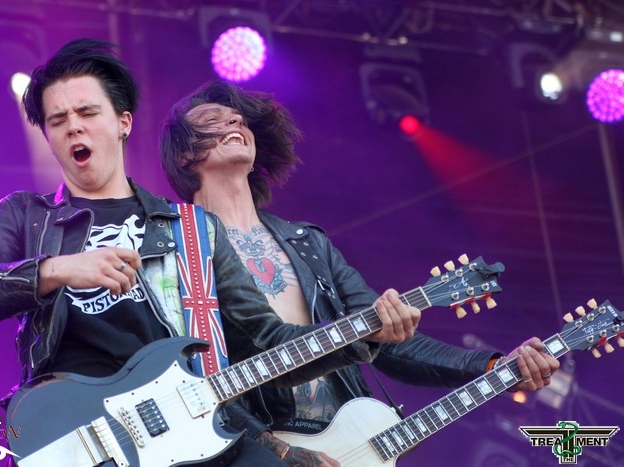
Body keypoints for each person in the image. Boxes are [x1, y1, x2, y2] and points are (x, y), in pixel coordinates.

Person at [0, 39, 422, 467]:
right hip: (78, 436)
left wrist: (365, 334)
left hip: (194, 431)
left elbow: (266, 339)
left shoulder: (192, 229)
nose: (73, 128)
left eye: (87, 113)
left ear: (122, 123)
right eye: (58, 121)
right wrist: (58, 269)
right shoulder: (26, 215)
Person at [159, 79, 561, 466]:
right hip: (251, 449)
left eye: (239, 119)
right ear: (183, 155)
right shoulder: (175, 252)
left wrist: (492, 367)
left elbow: (389, 342)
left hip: (346, 448)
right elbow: (185, 380)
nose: (234, 121)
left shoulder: (308, 243)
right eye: (213, 119)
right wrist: (270, 450)